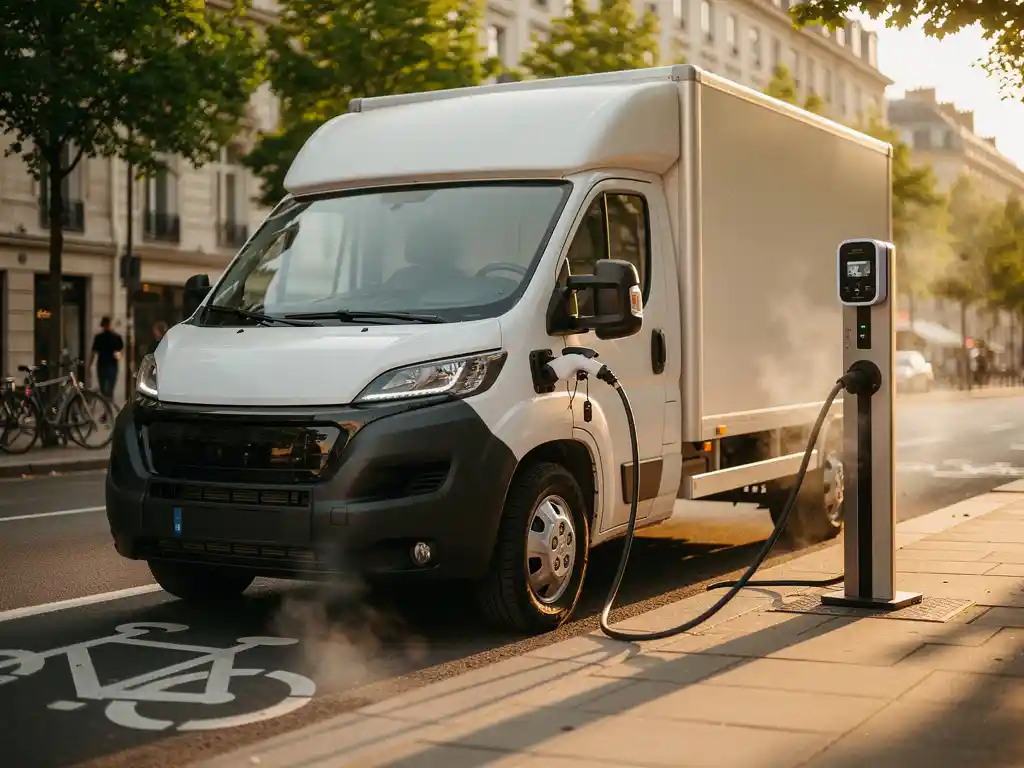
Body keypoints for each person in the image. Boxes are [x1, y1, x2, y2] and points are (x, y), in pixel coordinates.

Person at [89, 317, 124, 400]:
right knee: (110, 387)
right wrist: (119, 356)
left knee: (103, 387)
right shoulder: (116, 337)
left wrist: (89, 365)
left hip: (102, 364)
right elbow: (122, 350)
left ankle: (106, 405)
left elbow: (94, 353)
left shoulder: (99, 337)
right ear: (110, 324)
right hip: (112, 364)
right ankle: (108, 404)